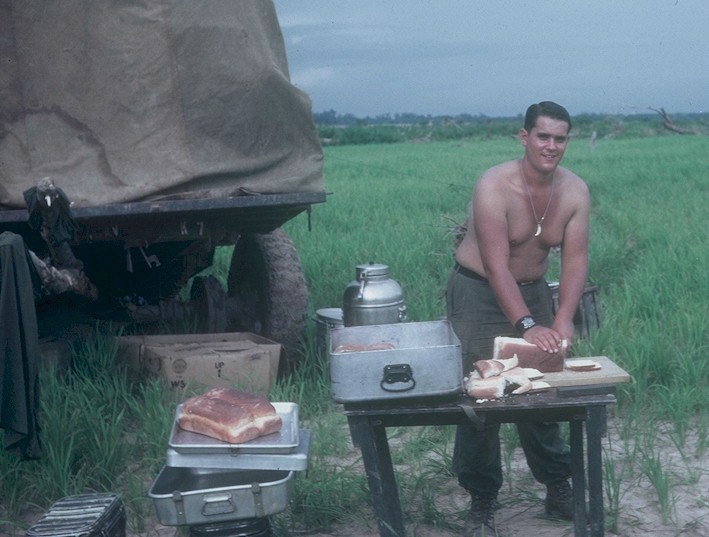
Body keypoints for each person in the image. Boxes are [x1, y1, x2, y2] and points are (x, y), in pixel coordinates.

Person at [446, 101, 590, 536]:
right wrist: (529, 326)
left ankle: (557, 484)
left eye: (559, 138)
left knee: (541, 390)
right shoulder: (494, 185)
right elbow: (496, 266)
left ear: (568, 141)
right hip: (478, 291)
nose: (551, 146)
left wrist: (562, 318)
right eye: (542, 136)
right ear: (524, 137)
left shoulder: (575, 191)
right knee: (483, 393)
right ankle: (482, 497)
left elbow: (575, 260)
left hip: (534, 291)